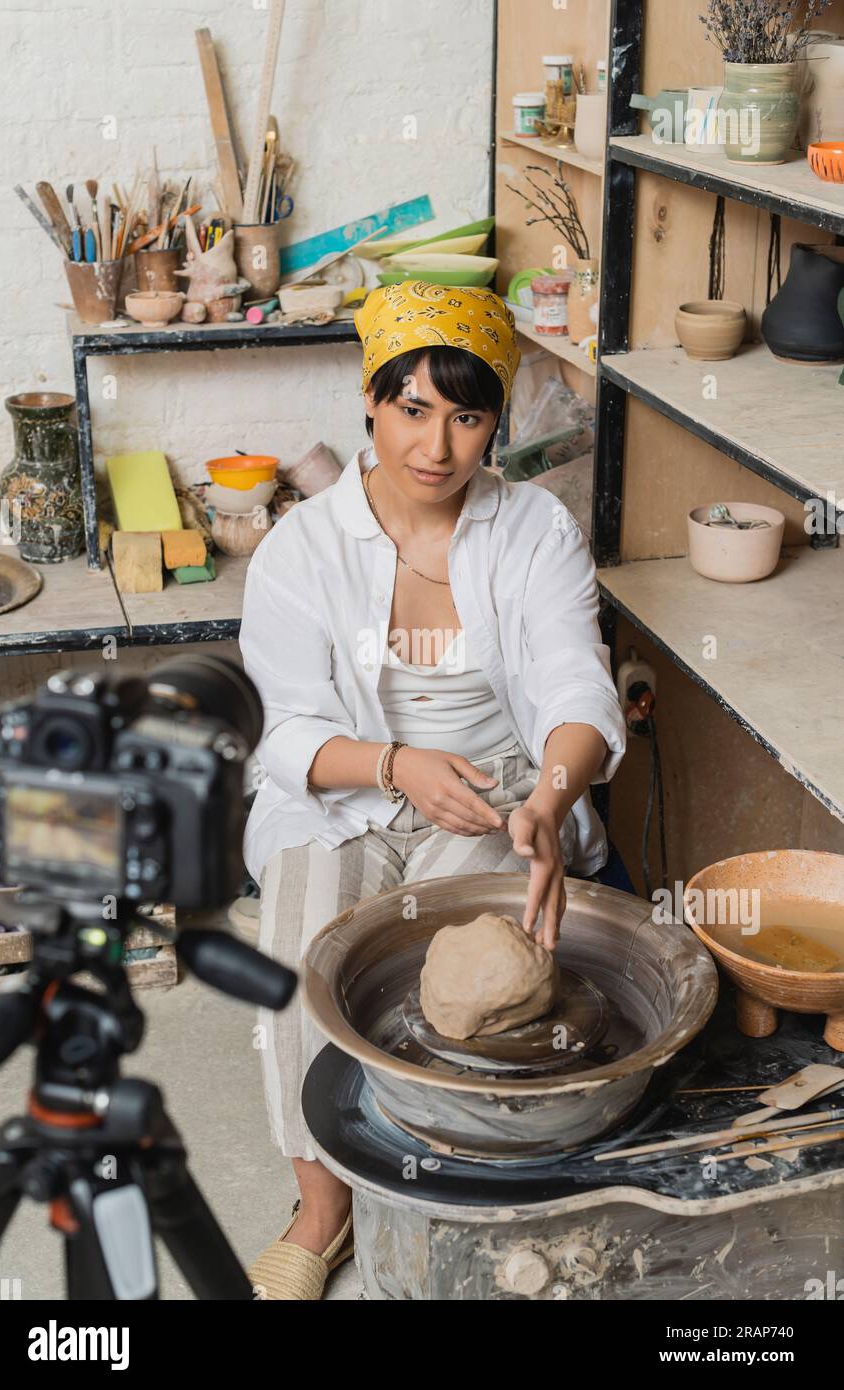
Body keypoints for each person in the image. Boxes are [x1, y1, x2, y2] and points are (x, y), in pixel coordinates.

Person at [238, 280, 627, 1299]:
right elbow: (286, 730)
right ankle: (321, 1206)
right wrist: (392, 763)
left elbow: (571, 685)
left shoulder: (532, 529)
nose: (438, 446)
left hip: (497, 785)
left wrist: (545, 798)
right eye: (411, 408)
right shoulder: (301, 548)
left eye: (467, 414)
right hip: (343, 785)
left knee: (469, 977)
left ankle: (440, 1187)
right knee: (303, 947)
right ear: (367, 402)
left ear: (494, 418)